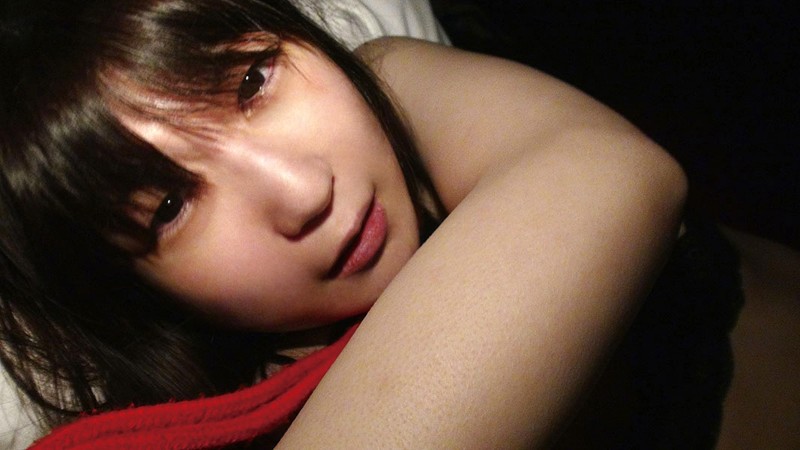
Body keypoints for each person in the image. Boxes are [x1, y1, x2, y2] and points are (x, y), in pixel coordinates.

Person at [0, 0, 797, 448]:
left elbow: (609, 168)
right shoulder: (197, 415)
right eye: (169, 208)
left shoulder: (392, 83)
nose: (304, 191)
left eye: (251, 81)